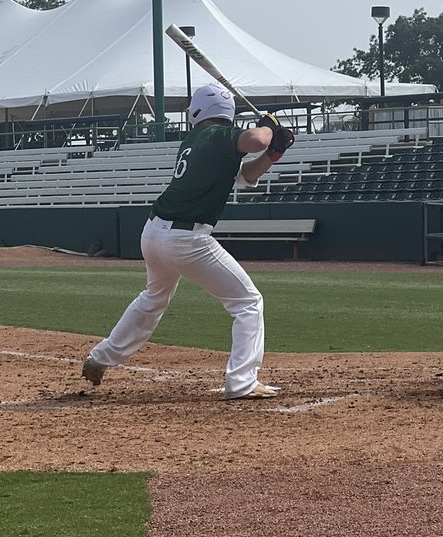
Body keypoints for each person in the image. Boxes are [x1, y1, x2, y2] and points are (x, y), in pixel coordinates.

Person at [81, 85, 295, 400]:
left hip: (154, 233)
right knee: (248, 303)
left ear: (197, 111)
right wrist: (268, 125)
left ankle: (101, 357)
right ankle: (242, 382)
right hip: (185, 238)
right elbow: (256, 139)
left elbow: (245, 175)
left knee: (152, 300)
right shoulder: (217, 136)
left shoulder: (198, 140)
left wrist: (273, 154)